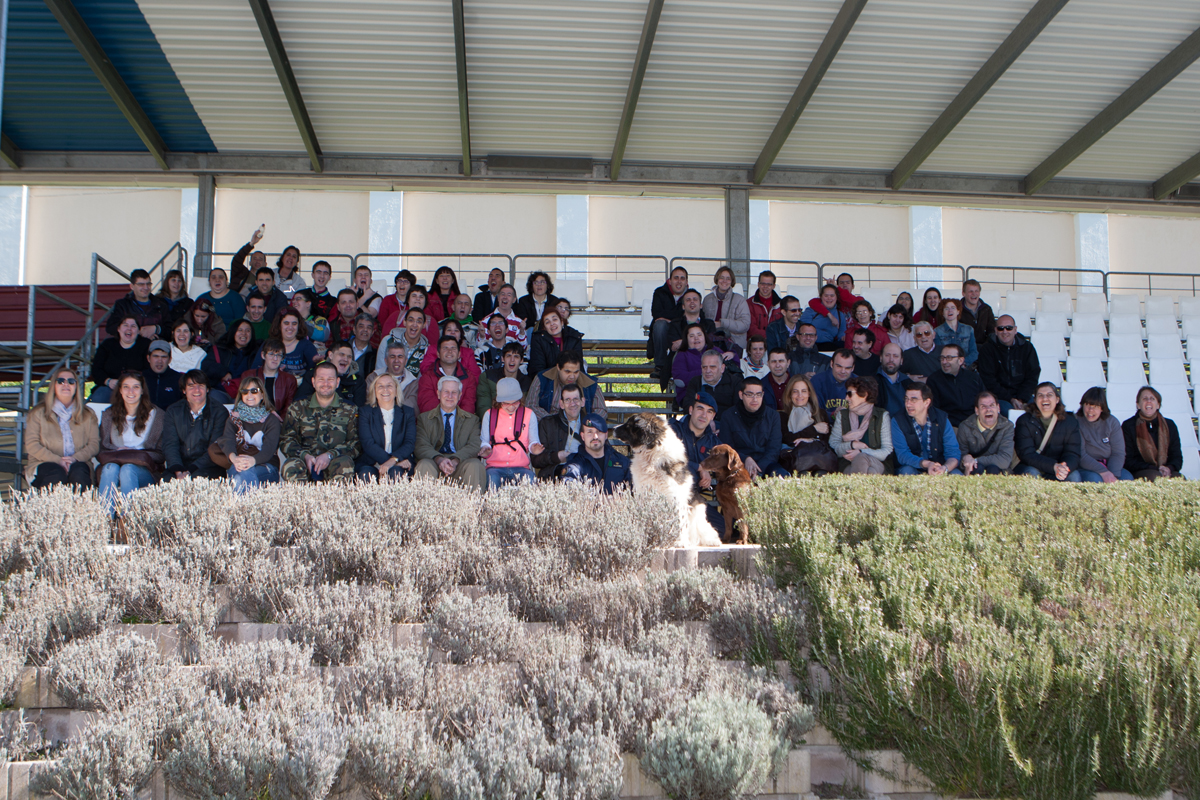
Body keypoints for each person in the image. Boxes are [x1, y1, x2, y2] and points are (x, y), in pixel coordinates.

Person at [280, 361, 360, 482]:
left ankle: (336, 495)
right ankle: (300, 495)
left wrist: (330, 455)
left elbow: (356, 443)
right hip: (305, 462)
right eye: (321, 379)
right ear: (313, 382)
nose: (325, 383)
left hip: (335, 461)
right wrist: (305, 456)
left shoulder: (350, 409)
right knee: (290, 466)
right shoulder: (298, 407)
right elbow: (286, 440)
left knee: (345, 464)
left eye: (330, 379)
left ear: (337, 382)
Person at [97, 371, 164, 511]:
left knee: (127, 469)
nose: (131, 391)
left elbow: (160, 454)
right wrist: (120, 452)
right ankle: (105, 518)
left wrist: (135, 454)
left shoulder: (157, 416)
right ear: (120, 390)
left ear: (142, 390)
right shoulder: (109, 414)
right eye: (126, 387)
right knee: (110, 468)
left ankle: (129, 519)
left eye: (136, 387)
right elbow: (102, 449)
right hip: (113, 466)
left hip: (145, 470)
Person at [24, 367, 98, 490]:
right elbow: (32, 445)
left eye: (71, 381)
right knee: (56, 473)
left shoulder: (88, 414)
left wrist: (74, 459)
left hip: (78, 463)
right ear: (54, 385)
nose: (66, 384)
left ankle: (82, 504)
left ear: (76, 386)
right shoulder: (38, 412)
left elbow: (94, 445)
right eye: (60, 381)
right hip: (43, 464)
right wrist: (58, 460)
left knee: (79, 472)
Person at [413, 375, 487, 489]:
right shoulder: (424, 418)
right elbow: (421, 445)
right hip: (434, 463)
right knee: (424, 465)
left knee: (475, 465)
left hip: (460, 463)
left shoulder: (472, 420)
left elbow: (474, 445)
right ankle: (425, 501)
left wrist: (455, 460)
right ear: (438, 394)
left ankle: (473, 501)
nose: (450, 396)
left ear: (460, 395)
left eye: (454, 392)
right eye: (446, 391)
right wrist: (440, 460)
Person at [161, 370, 229, 481]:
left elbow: (215, 448)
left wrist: (190, 471)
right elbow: (170, 444)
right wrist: (178, 471)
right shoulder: (173, 411)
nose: (196, 390)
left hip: (209, 467)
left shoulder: (220, 412)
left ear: (207, 389)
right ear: (184, 390)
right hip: (179, 466)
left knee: (195, 481)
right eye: (191, 386)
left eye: (201, 385)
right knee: (166, 483)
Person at [217, 375, 282, 491]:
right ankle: (249, 502)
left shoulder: (271, 420)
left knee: (240, 478)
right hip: (238, 464)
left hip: (266, 466)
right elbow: (228, 440)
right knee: (240, 474)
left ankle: (241, 502)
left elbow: (269, 449)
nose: (249, 395)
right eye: (245, 391)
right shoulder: (234, 418)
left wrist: (252, 461)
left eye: (254, 391)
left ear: (262, 394)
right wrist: (234, 459)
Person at [478, 377, 544, 489]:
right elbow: (485, 441)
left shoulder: (529, 414)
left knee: (531, 481)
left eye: (515, 402)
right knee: (492, 482)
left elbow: (533, 441)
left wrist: (534, 448)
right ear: (498, 401)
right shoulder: (489, 415)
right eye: (506, 403)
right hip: (494, 468)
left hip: (521, 467)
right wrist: (485, 450)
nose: (511, 407)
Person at [1014, 382, 1083, 482]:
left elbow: (1073, 453)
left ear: (1057, 399)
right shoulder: (1024, 421)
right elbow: (1026, 454)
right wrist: (1053, 466)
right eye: (1040, 395)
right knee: (1032, 473)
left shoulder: (1070, 422)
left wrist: (1064, 467)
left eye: (1049, 395)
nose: (1045, 398)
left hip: (1058, 468)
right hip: (1032, 466)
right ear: (1035, 400)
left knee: (1073, 475)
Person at [718, 377, 785, 478]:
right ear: (741, 395)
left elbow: (774, 450)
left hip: (766, 465)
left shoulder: (773, 416)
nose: (755, 399)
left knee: (783, 475)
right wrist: (746, 459)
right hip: (737, 464)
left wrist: (757, 470)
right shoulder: (728, 416)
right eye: (749, 394)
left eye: (758, 394)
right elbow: (727, 448)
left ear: (763, 394)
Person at [356, 372, 416, 481]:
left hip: (401, 462)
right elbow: (368, 443)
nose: (385, 389)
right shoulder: (365, 412)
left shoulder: (408, 412)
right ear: (374, 391)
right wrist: (391, 461)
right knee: (365, 475)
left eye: (389, 385)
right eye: (380, 386)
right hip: (372, 462)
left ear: (396, 390)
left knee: (396, 473)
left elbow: (409, 442)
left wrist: (394, 460)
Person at [892, 383, 961, 476]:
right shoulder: (898, 420)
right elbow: (902, 454)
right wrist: (927, 464)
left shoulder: (941, 418)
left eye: (913, 400)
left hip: (939, 466)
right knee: (906, 471)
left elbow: (953, 452)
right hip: (913, 467)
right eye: (906, 399)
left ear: (927, 402)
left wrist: (944, 468)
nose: (908, 404)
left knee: (956, 474)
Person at [976, 314, 1040, 415]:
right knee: (1007, 411)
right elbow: (988, 380)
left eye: (1009, 328)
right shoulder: (987, 349)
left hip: (1024, 396)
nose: (1005, 331)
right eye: (1001, 328)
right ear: (996, 331)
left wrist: (1021, 399)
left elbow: (1033, 375)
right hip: (999, 397)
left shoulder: (1027, 348)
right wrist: (1010, 399)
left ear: (1015, 330)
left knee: (1038, 410)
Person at [831, 376, 894, 475]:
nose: (846, 398)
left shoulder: (882, 415)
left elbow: (887, 451)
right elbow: (834, 446)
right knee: (870, 472)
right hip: (848, 463)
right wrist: (852, 445)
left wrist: (861, 451)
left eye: (850, 394)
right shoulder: (842, 415)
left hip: (877, 462)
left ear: (864, 395)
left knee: (861, 458)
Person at [1122, 386, 1184, 481]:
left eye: (1152, 399)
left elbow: (1177, 456)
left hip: (1166, 469)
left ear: (1158, 405)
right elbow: (1128, 460)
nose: (1149, 401)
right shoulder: (1128, 425)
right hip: (1141, 470)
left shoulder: (1170, 425)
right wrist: (1154, 468)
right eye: (1145, 399)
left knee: (1179, 479)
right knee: (1155, 476)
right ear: (1138, 405)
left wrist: (1169, 468)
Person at [780, 374, 838, 475]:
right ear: (789, 394)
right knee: (803, 474)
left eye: (804, 391)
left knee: (821, 474)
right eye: (795, 391)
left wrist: (809, 440)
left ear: (809, 393)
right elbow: (787, 438)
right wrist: (814, 429)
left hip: (820, 461)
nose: (800, 395)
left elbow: (825, 440)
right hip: (795, 462)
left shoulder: (820, 413)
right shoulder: (782, 415)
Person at [563, 413, 631, 493]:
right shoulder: (575, 465)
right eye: (590, 432)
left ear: (606, 435)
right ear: (582, 436)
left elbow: (634, 493)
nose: (595, 436)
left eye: (599, 432)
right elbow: (569, 492)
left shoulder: (623, 462)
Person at [89, 315, 151, 402]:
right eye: (125, 325)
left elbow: (149, 370)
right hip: (111, 387)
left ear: (138, 331)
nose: (129, 329)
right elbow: (96, 369)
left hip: (137, 387)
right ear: (118, 329)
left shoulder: (146, 345)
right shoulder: (107, 345)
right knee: (99, 397)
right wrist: (108, 381)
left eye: (133, 326)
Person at [526, 352, 606, 420]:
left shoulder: (590, 383)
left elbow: (602, 410)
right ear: (558, 367)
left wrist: (588, 423)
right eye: (568, 372)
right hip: (549, 427)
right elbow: (530, 406)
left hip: (579, 427)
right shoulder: (542, 378)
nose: (572, 376)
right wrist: (550, 421)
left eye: (576, 372)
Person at [1075, 387, 1130, 483]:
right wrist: (1103, 472)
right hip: (1086, 467)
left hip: (1109, 465)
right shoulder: (1076, 422)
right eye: (1087, 405)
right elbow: (1081, 455)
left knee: (1127, 479)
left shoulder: (1112, 422)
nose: (1090, 410)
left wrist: (1113, 475)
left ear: (1102, 408)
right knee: (1095, 480)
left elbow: (1118, 453)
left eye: (1096, 406)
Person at [531, 382, 586, 479]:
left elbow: (604, 451)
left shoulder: (592, 423)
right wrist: (557, 456)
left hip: (585, 468)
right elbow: (536, 460)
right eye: (567, 400)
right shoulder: (547, 424)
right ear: (561, 404)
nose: (572, 404)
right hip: (556, 470)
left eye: (576, 399)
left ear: (583, 402)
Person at [669, 391, 722, 486]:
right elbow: (665, 459)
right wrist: (699, 468)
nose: (704, 415)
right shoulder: (673, 432)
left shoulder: (714, 443)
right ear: (691, 410)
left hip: (697, 492)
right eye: (700, 409)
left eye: (709, 411)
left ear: (713, 416)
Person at [956, 391, 1015, 476]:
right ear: (977, 411)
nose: (988, 409)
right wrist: (965, 458)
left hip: (998, 471)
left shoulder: (1007, 426)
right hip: (974, 470)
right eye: (983, 406)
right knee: (977, 468)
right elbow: (960, 456)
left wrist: (975, 460)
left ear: (998, 408)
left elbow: (1004, 460)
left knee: (993, 469)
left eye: (992, 405)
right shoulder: (965, 427)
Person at [927, 343, 985, 427]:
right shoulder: (934, 380)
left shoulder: (973, 378)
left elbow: (984, 400)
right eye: (942, 358)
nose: (944, 362)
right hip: (950, 426)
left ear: (960, 360)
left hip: (974, 423)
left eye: (949, 358)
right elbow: (934, 411)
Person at [418, 336, 479, 414]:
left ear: (459, 354)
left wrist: (454, 419)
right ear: (438, 354)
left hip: (461, 421)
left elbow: (468, 406)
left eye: (453, 348)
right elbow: (427, 406)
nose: (449, 351)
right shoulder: (427, 377)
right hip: (434, 420)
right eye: (445, 348)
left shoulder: (469, 377)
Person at [201, 319, 257, 401]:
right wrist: (223, 372)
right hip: (220, 391)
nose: (244, 333)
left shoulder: (256, 352)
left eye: (248, 331)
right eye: (240, 330)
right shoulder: (220, 348)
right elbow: (205, 366)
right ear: (233, 332)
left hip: (245, 393)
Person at [648, 266, 689, 377]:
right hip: (664, 330)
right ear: (670, 281)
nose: (679, 281)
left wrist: (670, 319)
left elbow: (691, 314)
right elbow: (656, 314)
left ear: (686, 282)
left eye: (682, 278)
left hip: (682, 329)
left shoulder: (691, 296)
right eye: (676, 278)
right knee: (660, 325)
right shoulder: (659, 292)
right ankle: (660, 366)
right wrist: (679, 314)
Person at [106, 269, 169, 339]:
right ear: (132, 286)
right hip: (131, 344)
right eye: (141, 284)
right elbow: (111, 328)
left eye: (148, 284)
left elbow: (171, 330)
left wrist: (156, 329)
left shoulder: (161, 305)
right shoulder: (123, 305)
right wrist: (137, 331)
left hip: (155, 344)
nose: (146, 287)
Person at [296, 344, 366, 406]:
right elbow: (300, 402)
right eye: (342, 355)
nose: (345, 359)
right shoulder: (313, 374)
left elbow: (358, 410)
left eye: (349, 357)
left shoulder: (358, 381)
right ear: (330, 355)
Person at [680, 349, 744, 416]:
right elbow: (688, 407)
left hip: (726, 421)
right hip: (701, 420)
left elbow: (738, 410)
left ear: (722, 368)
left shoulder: (735, 382)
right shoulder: (695, 382)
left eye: (712, 367)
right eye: (704, 367)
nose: (708, 371)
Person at [244, 339, 299, 417]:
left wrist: (280, 420)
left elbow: (289, 408)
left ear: (282, 358)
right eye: (271, 354)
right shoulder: (248, 375)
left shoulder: (289, 380)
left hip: (278, 420)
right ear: (263, 355)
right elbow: (243, 403)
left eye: (279, 355)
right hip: (253, 418)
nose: (275, 358)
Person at [256, 309, 319, 376]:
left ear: (299, 326)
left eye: (294, 324)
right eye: (286, 323)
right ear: (279, 325)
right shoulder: (268, 344)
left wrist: (318, 363)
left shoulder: (306, 345)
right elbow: (255, 370)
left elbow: (316, 373)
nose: (290, 327)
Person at [702, 266, 751, 350]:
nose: (724, 281)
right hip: (711, 344)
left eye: (728, 278)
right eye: (722, 277)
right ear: (717, 279)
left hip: (733, 345)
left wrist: (722, 323)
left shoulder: (740, 300)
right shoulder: (707, 299)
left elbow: (745, 325)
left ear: (731, 281)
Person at [376, 305, 432, 379]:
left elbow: (422, 379)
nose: (414, 324)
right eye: (411, 320)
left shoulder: (427, 350)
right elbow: (379, 372)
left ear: (424, 325)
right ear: (404, 322)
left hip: (413, 386)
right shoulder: (388, 341)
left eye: (419, 321)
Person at [477, 341, 530, 415]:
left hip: (518, 421)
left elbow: (527, 410)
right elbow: (483, 407)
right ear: (502, 359)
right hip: (493, 420)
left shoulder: (527, 382)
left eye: (516, 357)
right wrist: (495, 421)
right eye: (508, 356)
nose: (512, 360)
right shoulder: (488, 377)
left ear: (521, 360)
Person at [529, 308, 583, 377]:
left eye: (555, 319)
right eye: (547, 322)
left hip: (572, 378)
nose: (552, 324)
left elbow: (578, 366)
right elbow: (537, 369)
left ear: (562, 322)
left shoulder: (574, 337)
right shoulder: (538, 340)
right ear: (544, 328)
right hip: (547, 379)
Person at [368, 340, 421, 410]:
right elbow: (370, 403)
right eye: (392, 356)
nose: (396, 360)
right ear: (386, 361)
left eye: (400, 356)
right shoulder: (373, 378)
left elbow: (410, 408)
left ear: (405, 361)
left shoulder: (414, 383)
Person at [799, 285, 848, 352]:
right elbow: (803, 328)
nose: (829, 298)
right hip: (811, 343)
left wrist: (843, 337)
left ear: (836, 297)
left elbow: (842, 333)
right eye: (826, 295)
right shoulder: (811, 310)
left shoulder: (840, 315)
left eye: (832, 296)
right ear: (821, 297)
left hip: (830, 344)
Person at [672, 324, 712, 404]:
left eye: (699, 335)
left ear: (705, 337)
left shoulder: (714, 351)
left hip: (714, 392)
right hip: (690, 394)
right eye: (691, 336)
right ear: (686, 339)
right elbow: (680, 379)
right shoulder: (682, 355)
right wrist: (704, 372)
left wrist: (731, 354)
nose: (696, 338)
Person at [933, 298, 978, 367]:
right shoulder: (937, 331)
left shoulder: (969, 329)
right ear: (942, 313)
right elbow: (938, 354)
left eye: (953, 308)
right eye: (946, 308)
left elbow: (974, 353)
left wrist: (963, 363)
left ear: (958, 311)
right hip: (946, 367)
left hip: (965, 367)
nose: (950, 310)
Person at [810, 349, 855, 417]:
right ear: (831, 364)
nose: (843, 371)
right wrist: (833, 415)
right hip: (823, 422)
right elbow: (814, 410)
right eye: (839, 366)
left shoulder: (858, 384)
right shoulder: (816, 381)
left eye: (847, 368)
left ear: (853, 368)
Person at [875, 342, 912, 420]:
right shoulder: (872, 382)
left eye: (895, 356)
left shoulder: (908, 383)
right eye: (887, 355)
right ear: (881, 358)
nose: (891, 359)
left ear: (901, 361)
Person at [143, 340, 184, 409]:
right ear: (148, 358)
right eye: (156, 356)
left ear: (170, 359)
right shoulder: (140, 378)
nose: (159, 361)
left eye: (164, 357)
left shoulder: (179, 379)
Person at [379, 268, 418, 334]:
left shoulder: (415, 302)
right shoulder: (387, 300)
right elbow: (381, 323)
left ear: (411, 286)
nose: (402, 284)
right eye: (399, 281)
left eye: (406, 282)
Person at [229, 226, 266, 293]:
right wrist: (251, 243)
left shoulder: (267, 280)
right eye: (255, 258)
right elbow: (236, 260)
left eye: (260, 259)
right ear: (250, 262)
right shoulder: (241, 273)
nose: (257, 261)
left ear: (265, 264)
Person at [747, 270, 783, 340]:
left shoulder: (781, 305)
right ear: (758, 284)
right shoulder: (749, 304)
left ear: (774, 286)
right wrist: (769, 336)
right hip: (755, 342)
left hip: (776, 342)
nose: (765, 287)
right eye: (763, 284)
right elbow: (751, 328)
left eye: (769, 284)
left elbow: (783, 327)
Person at [960, 279, 996, 345]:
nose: (974, 294)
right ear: (963, 293)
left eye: (976, 291)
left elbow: (992, 331)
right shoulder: (957, 309)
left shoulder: (987, 309)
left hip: (984, 346)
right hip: (964, 347)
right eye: (970, 291)